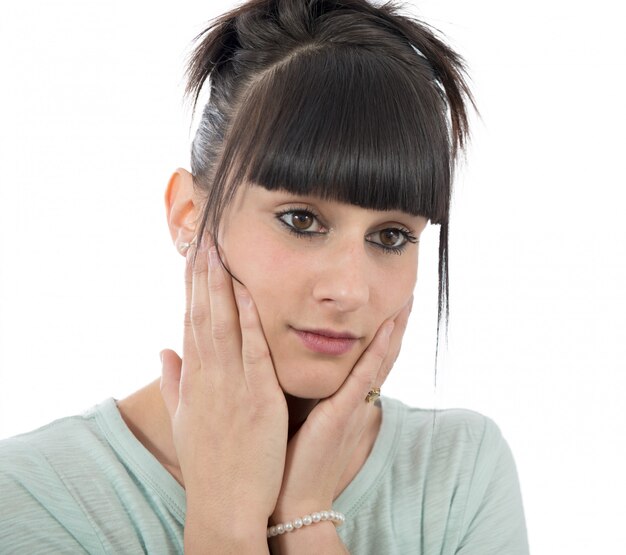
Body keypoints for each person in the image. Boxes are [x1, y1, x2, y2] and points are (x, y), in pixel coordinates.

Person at [0, 0, 529, 553]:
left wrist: (306, 516)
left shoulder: (458, 474)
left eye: (391, 237)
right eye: (301, 220)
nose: (349, 290)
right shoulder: (31, 498)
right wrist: (225, 517)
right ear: (188, 216)